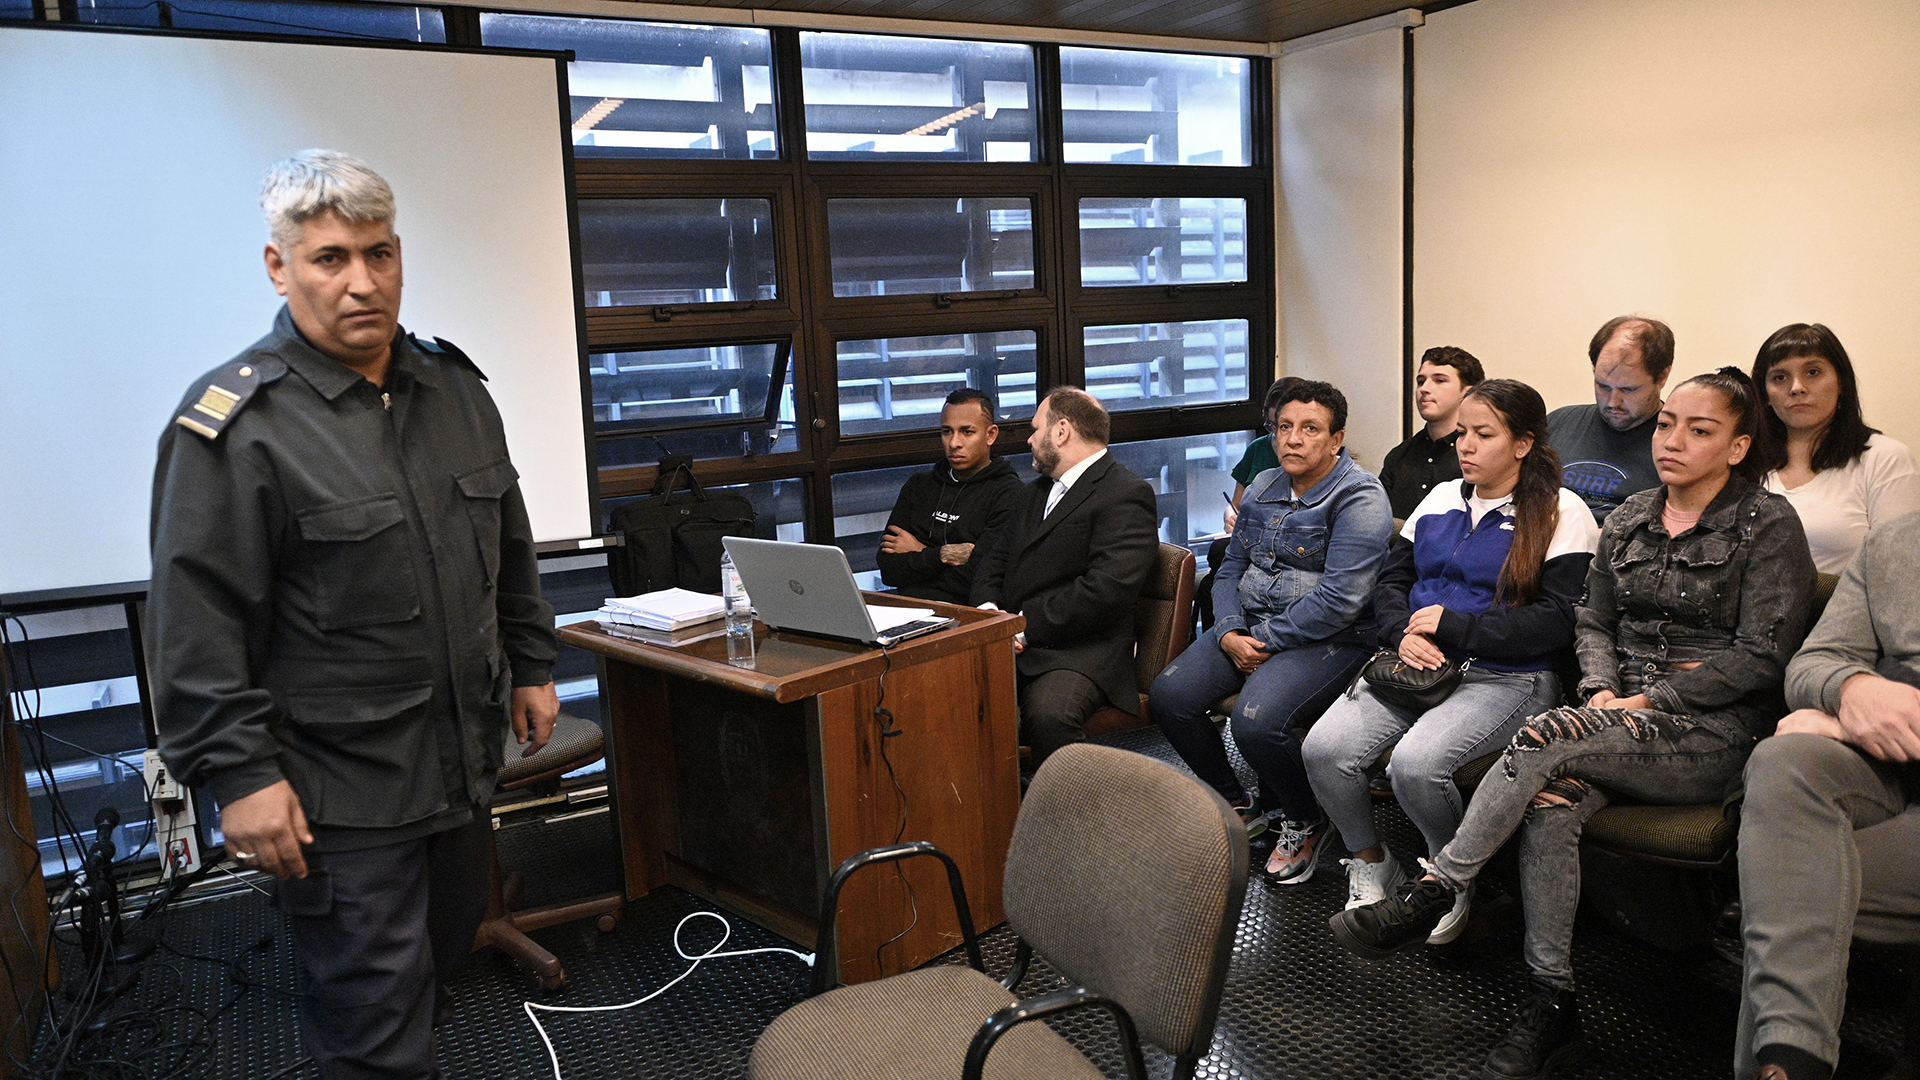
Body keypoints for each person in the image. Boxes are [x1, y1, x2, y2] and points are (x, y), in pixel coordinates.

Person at [148, 150, 559, 1079]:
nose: (361, 282)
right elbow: (194, 621)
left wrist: (532, 664)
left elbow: (509, 542)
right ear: (277, 266)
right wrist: (239, 775)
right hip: (341, 789)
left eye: (378, 254)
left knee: (434, 974)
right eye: (330, 258)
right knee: (371, 1020)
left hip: (459, 768)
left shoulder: (453, 387)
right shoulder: (237, 425)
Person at [1331, 368, 1816, 1080]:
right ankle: (1553, 1007)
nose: (1672, 440)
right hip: (1613, 720)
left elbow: (1762, 655)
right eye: (1666, 425)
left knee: (1544, 738)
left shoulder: (1768, 526)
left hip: (1709, 734)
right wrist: (1600, 688)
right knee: (1551, 809)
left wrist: (1648, 704)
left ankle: (1438, 886)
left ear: (1739, 446)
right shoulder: (1630, 517)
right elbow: (1593, 622)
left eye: (1699, 429)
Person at [1304, 379, 1598, 939]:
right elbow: (1392, 581)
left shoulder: (1562, 510)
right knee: (1323, 749)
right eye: (1463, 432)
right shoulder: (1440, 497)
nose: (1465, 445)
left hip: (1508, 677)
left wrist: (1456, 624)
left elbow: (1558, 623)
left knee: (1414, 765)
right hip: (1417, 663)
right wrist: (1401, 632)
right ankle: (1372, 862)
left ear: (1523, 444)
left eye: (1483, 434)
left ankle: (1446, 877)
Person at [1150, 380, 1392, 881]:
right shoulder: (1262, 485)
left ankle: (1305, 817)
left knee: (1256, 722)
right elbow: (1230, 568)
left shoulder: (1360, 497)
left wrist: (1265, 641)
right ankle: (1239, 803)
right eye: (1285, 427)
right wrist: (1228, 631)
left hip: (1335, 639)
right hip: (1252, 628)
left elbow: (1341, 601)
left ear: (1336, 439)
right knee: (1170, 696)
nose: (1294, 440)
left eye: (1310, 429)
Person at [1734, 510, 1920, 1080]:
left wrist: (1850, 719)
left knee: (1787, 886)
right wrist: (1852, 688)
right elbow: (1813, 662)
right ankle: (1792, 1060)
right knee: (1785, 761)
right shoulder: (1899, 540)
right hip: (1890, 773)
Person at [971, 387, 1159, 764]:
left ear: (1060, 431)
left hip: (1081, 650)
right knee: (941, 695)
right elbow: (993, 560)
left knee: (1048, 716)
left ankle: (1075, 817)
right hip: (1011, 638)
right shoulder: (1033, 493)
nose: (1029, 438)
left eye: (1034, 428)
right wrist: (989, 612)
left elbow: (1105, 591)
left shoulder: (1126, 493)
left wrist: (1021, 628)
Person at [1749, 322, 1920, 574]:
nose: (1797, 387)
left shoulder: (1884, 458)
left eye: (1813, 372)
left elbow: (1897, 576)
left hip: (1845, 612)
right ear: (1764, 394)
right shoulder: (1746, 461)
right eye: (1780, 377)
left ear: (1841, 383)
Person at [875, 388, 1025, 604]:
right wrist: (943, 554)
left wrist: (919, 551)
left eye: (967, 432)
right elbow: (889, 569)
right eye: (947, 432)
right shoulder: (919, 486)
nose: (954, 443)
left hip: (967, 615)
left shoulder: (1009, 493)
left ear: (990, 435)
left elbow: (980, 580)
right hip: (909, 610)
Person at [1548, 315, 1674, 522]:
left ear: (1662, 377)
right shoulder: (1558, 423)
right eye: (1603, 386)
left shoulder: (1677, 445)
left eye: (1628, 389)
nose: (1613, 402)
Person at [1199, 377, 1298, 629]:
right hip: (1250, 539)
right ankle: (1226, 635)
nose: (1278, 435)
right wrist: (1229, 517)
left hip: (1288, 545)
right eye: (1272, 425)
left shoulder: (1311, 458)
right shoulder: (1258, 449)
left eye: (1285, 426)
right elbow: (1236, 504)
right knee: (1214, 575)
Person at [1377, 346, 1484, 519]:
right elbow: (1376, 521)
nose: (1424, 389)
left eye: (1440, 380)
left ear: (1468, 393)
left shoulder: (1480, 454)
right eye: (1420, 381)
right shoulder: (1399, 456)